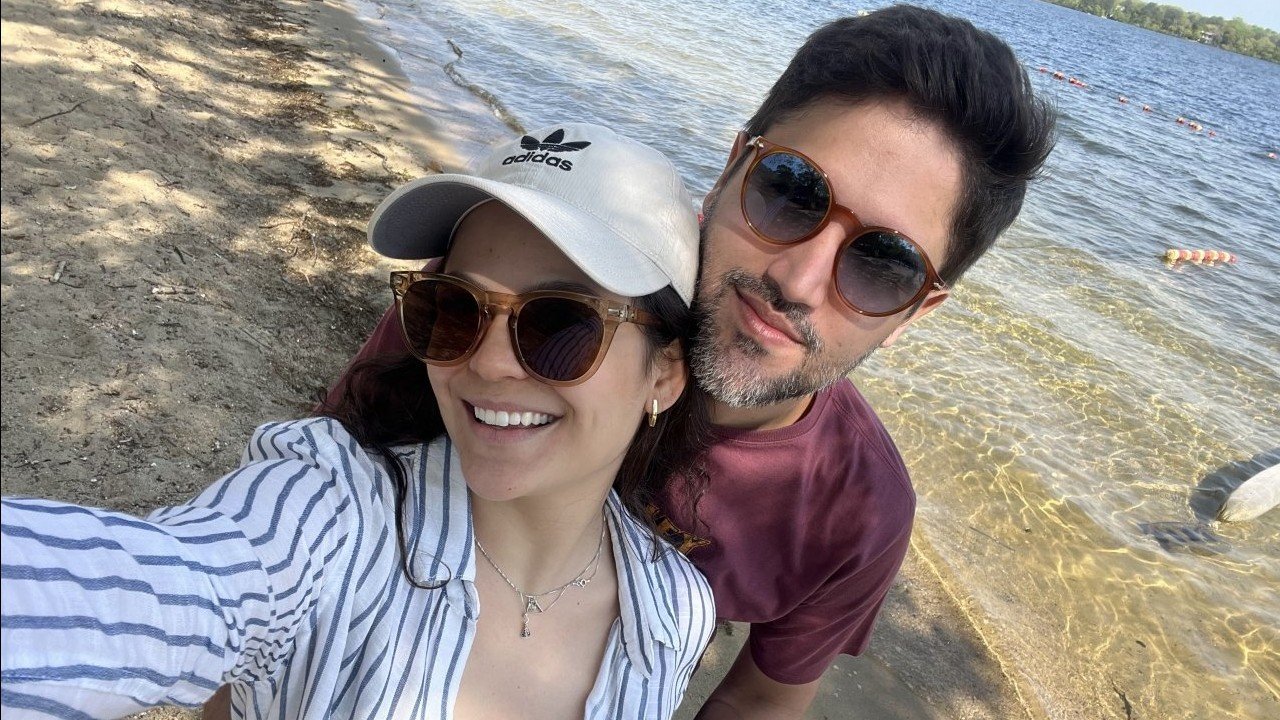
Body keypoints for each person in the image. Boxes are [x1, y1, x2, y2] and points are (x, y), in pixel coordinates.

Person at [328, 6, 1057, 717]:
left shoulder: (856, 514)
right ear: (731, 169)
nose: (798, 282)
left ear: (915, 312)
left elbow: (760, 700)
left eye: (885, 264)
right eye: (792, 190)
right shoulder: (516, 301)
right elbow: (335, 461)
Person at [0, 123, 717, 719]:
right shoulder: (329, 510)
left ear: (664, 372)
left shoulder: (674, 613)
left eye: (561, 325)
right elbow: (174, 585)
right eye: (452, 309)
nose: (490, 362)